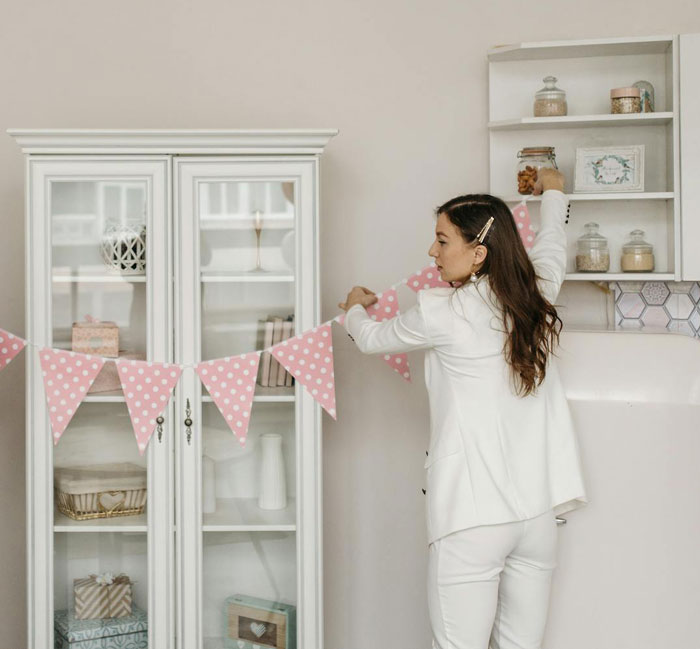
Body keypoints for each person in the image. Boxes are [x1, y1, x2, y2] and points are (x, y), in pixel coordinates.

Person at [338, 168, 588, 649]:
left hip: (473, 519)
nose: (432, 253)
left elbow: (370, 339)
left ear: (478, 253)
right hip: (536, 520)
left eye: (441, 240)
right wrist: (554, 190)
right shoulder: (535, 296)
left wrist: (353, 306)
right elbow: (553, 245)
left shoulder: (442, 311)